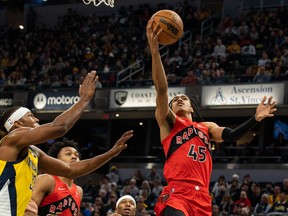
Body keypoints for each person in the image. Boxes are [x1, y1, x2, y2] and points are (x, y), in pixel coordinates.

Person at [146, 19, 277, 216]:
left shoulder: (206, 127)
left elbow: (232, 135)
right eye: (176, 99)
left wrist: (255, 119)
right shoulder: (168, 123)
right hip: (177, 193)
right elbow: (162, 89)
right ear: (171, 107)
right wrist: (155, 52)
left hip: (202, 197)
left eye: (184, 98)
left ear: (192, 107)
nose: (180, 99)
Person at [0, 70, 134, 216]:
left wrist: (110, 154)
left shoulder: (34, 153)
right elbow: (59, 127)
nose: (37, 120)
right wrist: (84, 99)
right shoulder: (11, 139)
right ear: (17, 123)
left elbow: (71, 170)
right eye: (30, 116)